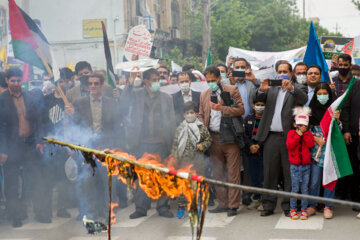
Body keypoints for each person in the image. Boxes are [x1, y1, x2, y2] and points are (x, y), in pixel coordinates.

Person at [256, 60, 308, 217]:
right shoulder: (270, 88)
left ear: (291, 74)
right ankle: (268, 205)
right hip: (271, 136)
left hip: (288, 137)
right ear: (276, 73)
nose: (282, 74)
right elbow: (255, 100)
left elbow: (303, 100)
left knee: (288, 173)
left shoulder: (297, 88)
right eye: (279, 71)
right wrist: (260, 89)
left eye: (285, 71)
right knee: (269, 173)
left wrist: (291, 88)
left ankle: (288, 205)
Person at [122, 68, 176, 219]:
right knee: (142, 176)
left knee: (163, 175)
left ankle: (163, 207)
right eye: (154, 79)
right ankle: (141, 208)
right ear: (145, 81)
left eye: (158, 79)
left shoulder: (166, 98)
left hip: (161, 142)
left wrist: (172, 144)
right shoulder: (136, 95)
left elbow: (171, 121)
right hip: (142, 142)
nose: (157, 82)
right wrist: (131, 82)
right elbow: (123, 103)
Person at [69, 73, 122, 222]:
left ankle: (108, 212)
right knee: (88, 182)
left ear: (101, 85)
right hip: (87, 148)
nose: (93, 86)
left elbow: (117, 126)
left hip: (106, 148)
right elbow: (75, 125)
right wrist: (71, 114)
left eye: (96, 83)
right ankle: (90, 213)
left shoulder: (112, 103)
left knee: (108, 182)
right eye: (90, 84)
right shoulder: (79, 103)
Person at [0, 67, 47, 227]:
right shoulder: (2, 99)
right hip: (11, 147)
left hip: (30, 145)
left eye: (19, 80)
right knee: (12, 183)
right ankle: (16, 216)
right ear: (7, 81)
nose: (16, 83)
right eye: (13, 80)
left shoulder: (30, 97)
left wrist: (39, 141)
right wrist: (3, 149)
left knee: (36, 179)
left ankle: (41, 213)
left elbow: (38, 121)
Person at [199, 66, 244, 217]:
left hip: (230, 138)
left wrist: (222, 108)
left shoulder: (231, 90)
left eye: (213, 80)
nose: (211, 83)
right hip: (213, 138)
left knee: (233, 174)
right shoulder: (204, 94)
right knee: (217, 173)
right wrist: (200, 124)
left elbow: (240, 110)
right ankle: (222, 203)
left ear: (219, 78)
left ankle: (233, 205)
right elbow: (201, 114)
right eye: (208, 81)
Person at [170, 101, 212, 218]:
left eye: (192, 112)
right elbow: (175, 145)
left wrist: (202, 146)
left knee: (197, 185)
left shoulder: (201, 127)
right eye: (187, 113)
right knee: (183, 185)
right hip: (183, 162)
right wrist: (174, 159)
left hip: (198, 162)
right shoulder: (180, 128)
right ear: (184, 115)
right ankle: (181, 207)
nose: (189, 115)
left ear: (196, 113)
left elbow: (208, 140)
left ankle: (197, 206)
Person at [307, 83, 337, 219]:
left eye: (325, 94)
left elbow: (339, 130)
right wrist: (315, 139)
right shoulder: (310, 111)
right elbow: (305, 131)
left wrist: (337, 119)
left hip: (330, 151)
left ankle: (328, 206)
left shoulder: (334, 110)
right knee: (314, 180)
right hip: (315, 152)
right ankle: (312, 205)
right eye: (319, 94)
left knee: (329, 180)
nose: (322, 96)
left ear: (329, 95)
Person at [286, 106, 314, 220]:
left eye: (304, 126)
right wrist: (298, 135)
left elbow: (311, 144)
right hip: (294, 166)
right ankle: (293, 209)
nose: (302, 127)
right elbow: (290, 145)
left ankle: (304, 209)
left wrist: (305, 134)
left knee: (305, 188)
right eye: (299, 125)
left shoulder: (308, 134)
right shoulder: (291, 134)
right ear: (294, 124)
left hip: (306, 165)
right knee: (295, 188)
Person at [341, 76, 360, 210]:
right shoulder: (354, 86)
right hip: (354, 135)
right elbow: (345, 109)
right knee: (355, 167)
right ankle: (356, 199)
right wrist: (346, 130)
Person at [243, 95, 265, 210]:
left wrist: (258, 145)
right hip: (251, 152)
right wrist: (251, 145)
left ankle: (263, 200)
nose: (260, 107)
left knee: (262, 177)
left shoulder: (266, 119)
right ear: (253, 106)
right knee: (254, 177)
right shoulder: (248, 118)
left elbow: (266, 134)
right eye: (258, 105)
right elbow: (245, 134)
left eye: (262, 105)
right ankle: (256, 199)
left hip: (262, 152)